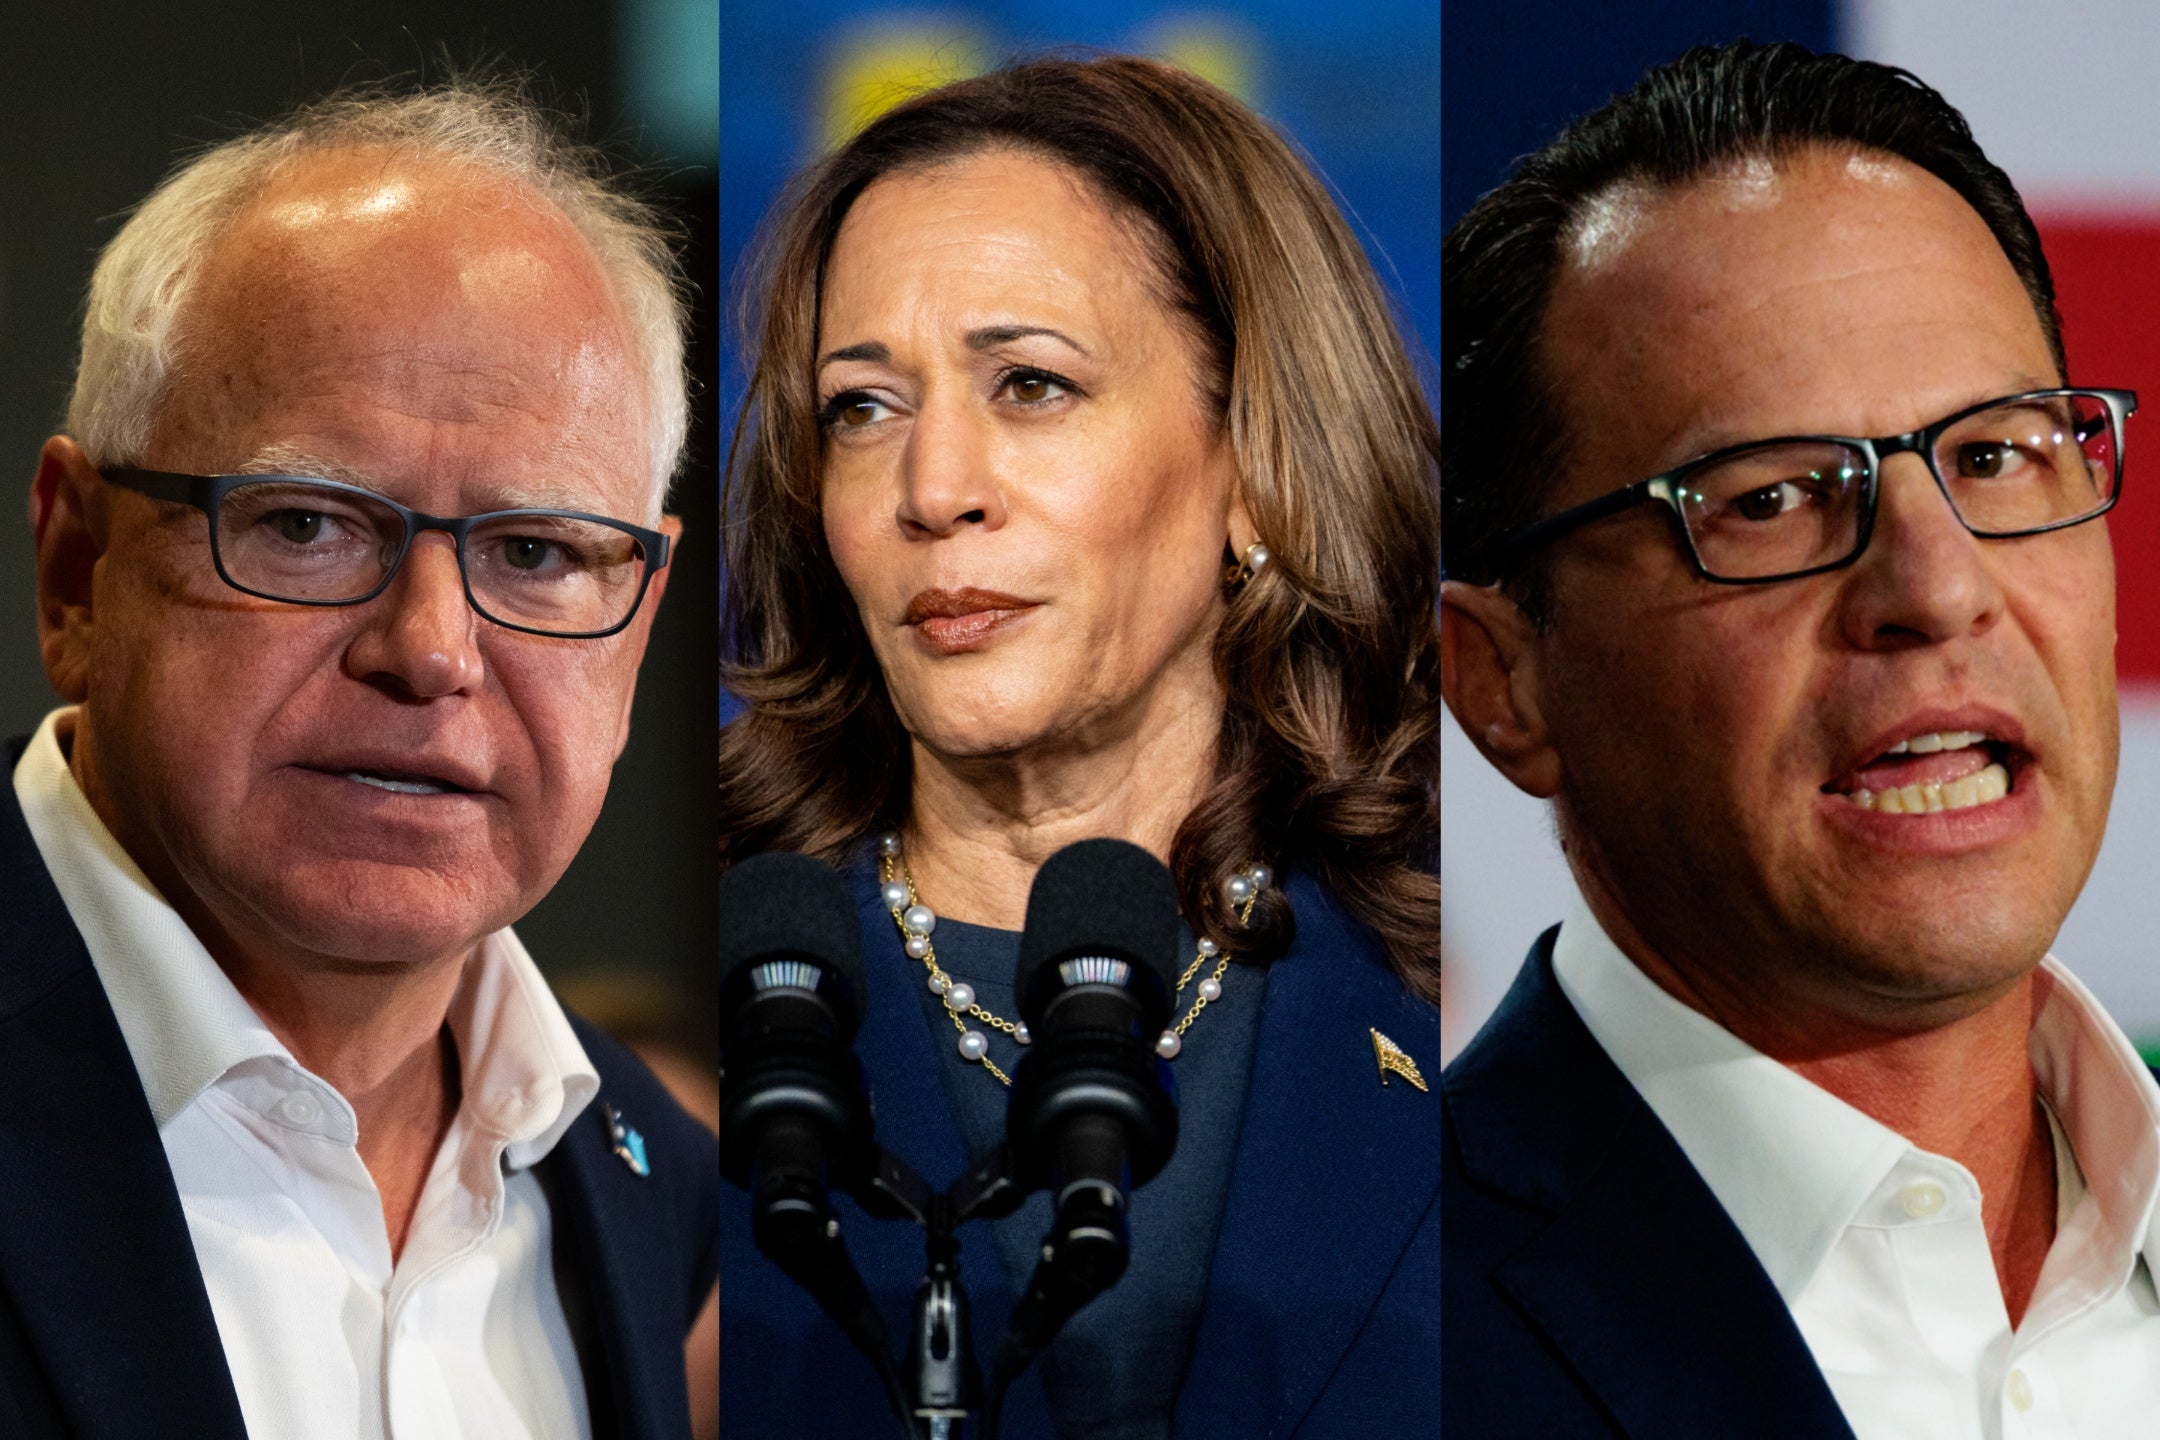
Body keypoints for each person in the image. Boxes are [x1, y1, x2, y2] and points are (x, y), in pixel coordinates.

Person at [1442, 40, 2160, 1438]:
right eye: (1769, 499)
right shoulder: (1386, 1325)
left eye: (2000, 456)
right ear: (1503, 683)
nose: (1938, 588)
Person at [719, 55, 1440, 1438]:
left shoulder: (1444, 1001)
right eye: (862, 408)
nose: (933, 490)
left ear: (1257, 467)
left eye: (1032, 386)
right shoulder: (720, 1017)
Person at [0, 82, 717, 1438]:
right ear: (76, 572)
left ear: (636, 645)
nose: (432, 650)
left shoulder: (652, 1182)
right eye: (309, 526)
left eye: (538, 554)